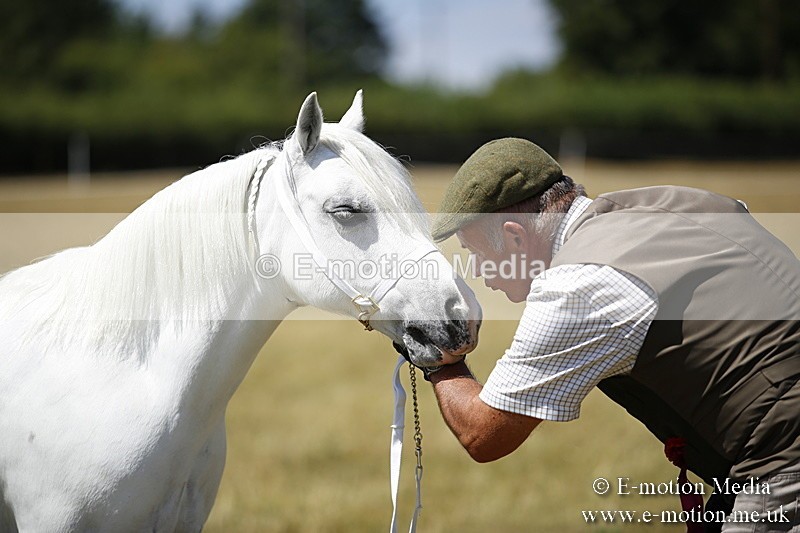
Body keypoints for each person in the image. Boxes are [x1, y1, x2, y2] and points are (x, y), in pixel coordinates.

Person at [402, 138, 800, 532]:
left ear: (515, 238)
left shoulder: (581, 284)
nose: (479, 271)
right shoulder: (683, 201)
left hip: (781, 459)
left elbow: (484, 435)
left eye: (477, 253)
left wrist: (439, 360)